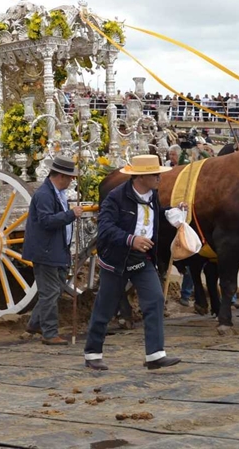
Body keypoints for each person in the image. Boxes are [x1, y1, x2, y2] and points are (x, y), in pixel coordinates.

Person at [84, 155, 182, 371]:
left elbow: (154, 215)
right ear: (141, 177)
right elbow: (106, 229)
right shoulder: (115, 198)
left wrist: (171, 212)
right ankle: (92, 353)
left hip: (141, 258)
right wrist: (131, 240)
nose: (159, 178)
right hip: (116, 259)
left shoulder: (153, 195)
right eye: (155, 174)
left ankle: (155, 355)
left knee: (155, 299)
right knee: (105, 307)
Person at [22, 156, 84, 344]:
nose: (72, 181)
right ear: (61, 176)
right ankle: (49, 333)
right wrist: (71, 214)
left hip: (55, 250)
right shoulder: (44, 195)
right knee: (49, 292)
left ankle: (34, 323)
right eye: (70, 177)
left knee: (54, 290)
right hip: (46, 251)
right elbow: (47, 221)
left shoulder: (56, 193)